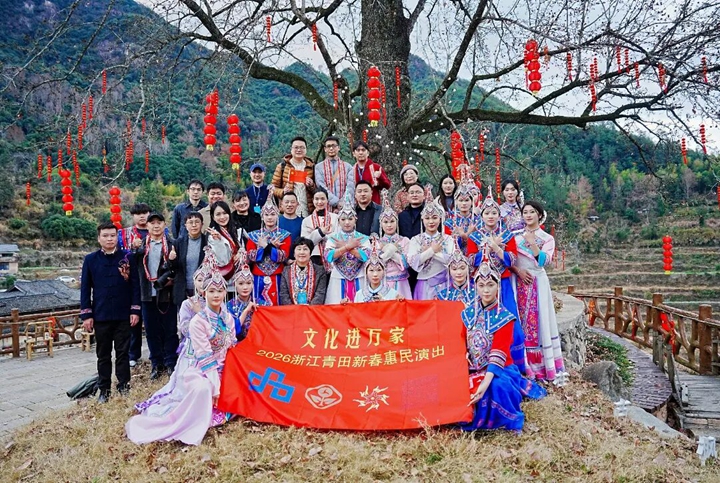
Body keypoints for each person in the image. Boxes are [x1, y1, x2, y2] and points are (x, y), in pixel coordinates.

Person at [126, 251, 236, 446]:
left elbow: (232, 347)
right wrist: (215, 384)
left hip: (225, 367)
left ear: (225, 293)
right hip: (201, 369)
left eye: (220, 291)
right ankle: (186, 421)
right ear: (204, 292)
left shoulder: (228, 318)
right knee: (204, 388)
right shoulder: (198, 321)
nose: (216, 295)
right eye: (211, 291)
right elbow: (205, 356)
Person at [459, 249, 545, 432]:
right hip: (472, 367)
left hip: (500, 369)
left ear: (498, 286)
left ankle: (500, 420)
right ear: (475, 287)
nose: (486, 290)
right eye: (481, 285)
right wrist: (464, 355)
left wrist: (484, 383)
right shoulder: (467, 314)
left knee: (497, 387)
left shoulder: (504, 318)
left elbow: (498, 354)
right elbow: (460, 342)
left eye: (490, 285)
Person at [468, 187, 526, 375]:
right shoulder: (475, 236)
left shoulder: (507, 235)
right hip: (482, 286)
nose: (491, 216)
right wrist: (486, 249)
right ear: (482, 215)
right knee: (481, 323)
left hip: (503, 284)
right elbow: (470, 260)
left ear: (499, 215)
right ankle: (483, 364)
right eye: (487, 213)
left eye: (494, 212)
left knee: (511, 322)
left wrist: (497, 249)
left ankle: (514, 366)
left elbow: (512, 260)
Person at [80, 222, 141, 403]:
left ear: (117, 237)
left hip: (123, 314)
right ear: (99, 238)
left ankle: (123, 386)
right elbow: (85, 289)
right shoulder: (90, 260)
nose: (109, 239)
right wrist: (87, 315)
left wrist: (135, 310)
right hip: (101, 315)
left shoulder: (127, 257)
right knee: (103, 355)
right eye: (105, 236)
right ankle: (104, 390)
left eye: (112, 235)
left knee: (123, 353)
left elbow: (135, 286)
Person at [514, 200, 566, 381]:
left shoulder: (547, 238)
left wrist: (533, 244)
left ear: (539, 215)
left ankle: (542, 367)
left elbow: (545, 261)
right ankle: (523, 363)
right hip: (518, 282)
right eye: (525, 212)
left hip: (538, 282)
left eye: (532, 212)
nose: (528, 215)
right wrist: (518, 271)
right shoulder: (515, 237)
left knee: (540, 322)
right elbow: (509, 259)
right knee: (520, 321)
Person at [136, 213, 179, 380]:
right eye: (152, 223)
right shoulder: (140, 246)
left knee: (170, 330)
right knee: (151, 331)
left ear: (164, 225)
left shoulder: (172, 244)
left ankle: (171, 362)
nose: (155, 226)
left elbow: (179, 268)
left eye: (159, 222)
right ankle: (156, 363)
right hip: (147, 294)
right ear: (147, 226)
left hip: (166, 293)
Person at [117, 202, 151, 368]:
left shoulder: (159, 231)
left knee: (153, 320)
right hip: (131, 281)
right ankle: (133, 354)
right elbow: (118, 255)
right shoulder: (123, 234)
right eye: (138, 213)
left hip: (152, 281)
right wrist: (132, 247)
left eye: (145, 213)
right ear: (133, 216)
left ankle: (155, 352)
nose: (142, 216)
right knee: (133, 319)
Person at [407, 188, 455, 300]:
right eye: (427, 218)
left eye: (434, 218)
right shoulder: (416, 240)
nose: (431, 222)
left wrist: (430, 252)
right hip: (424, 284)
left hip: (444, 283)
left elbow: (452, 261)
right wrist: (432, 250)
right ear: (422, 220)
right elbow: (412, 261)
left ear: (440, 219)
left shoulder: (448, 239)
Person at [324, 192, 371, 304]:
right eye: (343, 219)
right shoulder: (333, 238)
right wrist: (348, 247)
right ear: (339, 221)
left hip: (359, 277)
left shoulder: (362, 238)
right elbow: (328, 257)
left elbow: (366, 256)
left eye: (350, 219)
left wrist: (345, 247)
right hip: (338, 277)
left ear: (355, 220)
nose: (347, 222)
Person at [246, 195, 292, 305]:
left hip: (278, 275)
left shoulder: (284, 235)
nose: (269, 217)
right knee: (258, 305)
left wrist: (265, 246)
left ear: (277, 216)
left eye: (272, 214)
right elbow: (251, 256)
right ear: (262, 217)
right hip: (258, 275)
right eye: (266, 215)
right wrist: (271, 247)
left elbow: (282, 256)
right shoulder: (254, 235)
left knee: (277, 305)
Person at [377, 190, 412, 300]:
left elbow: (406, 263)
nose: (389, 225)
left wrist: (387, 250)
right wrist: (393, 250)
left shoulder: (404, 241)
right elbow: (377, 263)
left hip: (401, 283)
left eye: (392, 221)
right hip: (383, 283)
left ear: (396, 222)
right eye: (385, 222)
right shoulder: (376, 242)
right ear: (381, 224)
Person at [227, 248, 267, 341]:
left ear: (253, 284)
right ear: (234, 285)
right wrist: (246, 311)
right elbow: (231, 332)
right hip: (238, 344)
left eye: (248, 283)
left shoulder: (262, 304)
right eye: (241, 283)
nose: (245, 287)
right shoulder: (229, 306)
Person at [271, 136, 316, 217]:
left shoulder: (312, 167)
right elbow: (272, 188)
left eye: (302, 147)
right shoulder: (282, 166)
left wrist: (312, 185)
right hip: (288, 212)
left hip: (307, 212)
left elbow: (317, 190)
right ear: (291, 149)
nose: (299, 150)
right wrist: (283, 191)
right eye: (296, 147)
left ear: (306, 150)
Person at [171, 211, 208, 303]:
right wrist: (171, 259)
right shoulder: (178, 243)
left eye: (197, 222)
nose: (194, 225)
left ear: (202, 224)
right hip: (183, 289)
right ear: (185, 226)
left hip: (204, 289)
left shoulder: (208, 241)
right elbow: (173, 268)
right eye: (190, 222)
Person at [279, 238, 328, 305]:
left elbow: (320, 294)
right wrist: (293, 309)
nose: (302, 252)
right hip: (291, 310)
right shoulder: (286, 271)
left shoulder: (320, 270)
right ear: (294, 254)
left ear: (310, 253)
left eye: (305, 249)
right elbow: (284, 294)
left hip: (312, 310)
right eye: (299, 249)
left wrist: (308, 309)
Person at [301, 188, 338, 269]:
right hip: (314, 257)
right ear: (313, 200)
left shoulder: (335, 218)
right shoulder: (306, 220)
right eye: (317, 199)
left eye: (322, 199)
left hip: (332, 255)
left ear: (327, 200)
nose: (320, 202)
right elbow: (306, 243)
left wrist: (319, 234)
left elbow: (336, 239)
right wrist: (320, 232)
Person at [314, 136, 354, 210]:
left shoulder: (348, 167)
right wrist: (336, 202)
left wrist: (343, 202)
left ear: (338, 148)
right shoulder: (319, 167)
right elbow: (321, 186)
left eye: (334, 146)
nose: (331, 148)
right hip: (326, 207)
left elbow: (350, 187)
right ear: (325, 149)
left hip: (344, 207)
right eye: (328, 146)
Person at [444, 173, 479, 256]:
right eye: (460, 200)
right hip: (455, 258)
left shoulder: (478, 221)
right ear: (456, 202)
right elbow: (447, 245)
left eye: (467, 200)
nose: (464, 203)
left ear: (472, 201)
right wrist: (464, 236)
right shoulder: (449, 222)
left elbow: (482, 243)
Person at [207, 201, 240, 281]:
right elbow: (222, 261)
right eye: (218, 214)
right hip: (223, 277)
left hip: (239, 276)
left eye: (225, 213)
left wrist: (241, 253)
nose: (222, 217)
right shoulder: (212, 236)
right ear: (213, 217)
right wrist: (219, 241)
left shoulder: (238, 230)